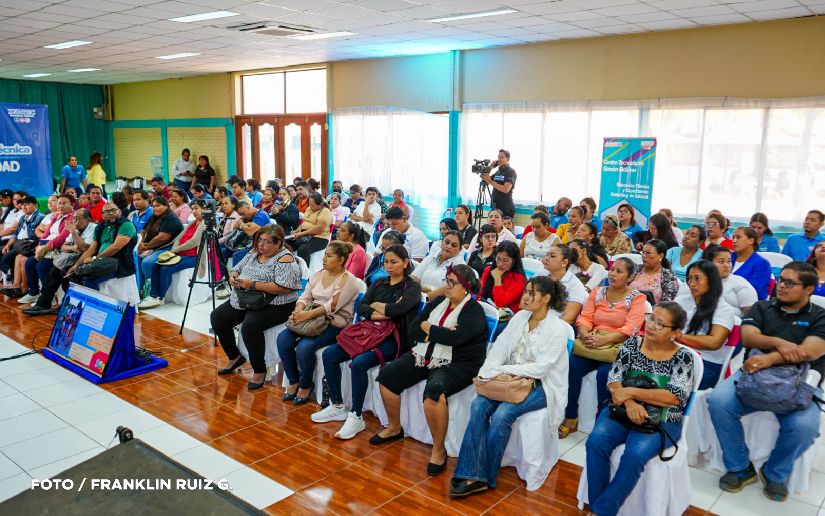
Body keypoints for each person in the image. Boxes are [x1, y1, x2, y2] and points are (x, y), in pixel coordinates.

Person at [708, 262, 825, 502]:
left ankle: (774, 473)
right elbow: (749, 337)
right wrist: (779, 343)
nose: (781, 286)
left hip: (799, 382)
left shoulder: (820, 316)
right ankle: (740, 467)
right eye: (781, 280)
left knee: (804, 426)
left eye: (790, 283)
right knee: (719, 401)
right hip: (754, 375)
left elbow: (811, 350)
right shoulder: (762, 306)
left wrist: (770, 357)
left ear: (809, 289)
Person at [450, 276, 570, 497]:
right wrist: (489, 371)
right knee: (478, 405)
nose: (526, 297)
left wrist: (503, 370)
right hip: (508, 380)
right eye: (526, 291)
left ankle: (485, 475)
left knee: (502, 414)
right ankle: (472, 472)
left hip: (542, 386)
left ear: (546, 298)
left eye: (532, 293)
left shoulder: (557, 329)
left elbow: (541, 369)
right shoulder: (520, 318)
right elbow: (499, 348)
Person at [373, 263, 487, 474]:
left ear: (466, 287)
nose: (447, 286)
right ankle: (394, 427)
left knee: (434, 390)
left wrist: (429, 328)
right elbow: (414, 329)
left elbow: (456, 339)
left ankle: (438, 449)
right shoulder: (439, 302)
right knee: (387, 376)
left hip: (459, 362)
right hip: (426, 353)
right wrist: (436, 332)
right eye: (447, 281)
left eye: (453, 283)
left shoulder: (474, 310)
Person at [585, 302, 694, 516]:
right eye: (651, 318)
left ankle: (600, 511)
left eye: (660, 324)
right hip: (622, 410)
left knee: (635, 454)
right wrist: (630, 403)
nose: (651, 325)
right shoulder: (633, 344)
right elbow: (614, 380)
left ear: (675, 332)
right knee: (596, 441)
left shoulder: (683, 357)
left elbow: (673, 397)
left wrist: (631, 392)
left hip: (662, 420)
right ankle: (599, 508)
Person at [314, 245, 423, 439]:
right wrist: (383, 312)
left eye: (394, 262)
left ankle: (356, 416)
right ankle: (337, 405)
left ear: (406, 263)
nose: (389, 266)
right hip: (370, 332)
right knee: (329, 354)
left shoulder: (412, 287)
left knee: (359, 363)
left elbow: (398, 310)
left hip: (394, 338)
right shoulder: (379, 283)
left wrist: (378, 307)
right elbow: (362, 307)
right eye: (386, 262)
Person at [559, 257, 646, 439]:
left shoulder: (637, 298)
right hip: (592, 341)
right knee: (571, 365)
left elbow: (630, 328)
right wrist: (585, 335)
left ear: (630, 277)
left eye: (619, 272)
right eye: (612, 270)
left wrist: (604, 340)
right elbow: (585, 318)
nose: (612, 274)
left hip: (617, 346)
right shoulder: (598, 292)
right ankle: (570, 416)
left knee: (606, 374)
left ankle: (602, 423)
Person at [212, 225, 301, 390]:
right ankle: (234, 357)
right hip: (249, 298)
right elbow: (237, 269)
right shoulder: (254, 252)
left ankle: (259, 369)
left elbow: (284, 288)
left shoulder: (285, 259)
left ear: (278, 243)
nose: (261, 245)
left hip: (278, 303)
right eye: (260, 240)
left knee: (250, 326)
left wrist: (253, 285)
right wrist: (233, 277)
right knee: (218, 318)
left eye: (267, 242)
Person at [278, 241, 361, 404]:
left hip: (333, 323)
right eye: (324, 255)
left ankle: (305, 385)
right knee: (283, 339)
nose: (324, 259)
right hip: (311, 318)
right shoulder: (318, 275)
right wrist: (299, 309)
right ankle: (293, 380)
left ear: (341, 259)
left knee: (305, 347)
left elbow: (332, 306)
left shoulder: (348, 280)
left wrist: (305, 315)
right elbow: (305, 296)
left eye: (329, 256)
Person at [23, 209, 96, 316]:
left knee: (65, 273)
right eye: (74, 218)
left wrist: (73, 234)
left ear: (88, 219)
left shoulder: (93, 228)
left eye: (78, 218)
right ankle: (43, 304)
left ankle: (66, 307)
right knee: (53, 272)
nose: (75, 221)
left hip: (85, 260)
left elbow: (85, 248)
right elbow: (63, 247)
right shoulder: (75, 229)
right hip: (72, 258)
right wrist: (74, 247)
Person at [676, 260, 735, 389]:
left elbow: (714, 342)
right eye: (689, 278)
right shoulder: (681, 301)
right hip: (677, 354)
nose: (691, 283)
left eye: (697, 279)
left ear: (712, 281)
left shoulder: (724, 310)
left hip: (706, 363)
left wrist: (677, 336)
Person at [138, 201, 209, 309]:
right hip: (180, 253)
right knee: (156, 265)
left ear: (204, 210)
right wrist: (175, 249)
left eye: (196, 208)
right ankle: (154, 296)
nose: (194, 211)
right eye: (193, 209)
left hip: (193, 256)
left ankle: (159, 297)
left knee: (165, 268)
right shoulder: (192, 223)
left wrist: (176, 250)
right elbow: (178, 238)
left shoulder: (205, 224)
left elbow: (194, 242)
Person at [66, 203, 138, 290]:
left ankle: (94, 299)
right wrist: (76, 265)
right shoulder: (100, 227)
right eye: (107, 211)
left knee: (88, 279)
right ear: (103, 215)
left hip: (119, 264)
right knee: (73, 275)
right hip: (101, 261)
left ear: (119, 212)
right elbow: (91, 250)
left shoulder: (126, 225)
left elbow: (116, 247)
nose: (110, 213)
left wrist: (95, 259)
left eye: (113, 210)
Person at [697, 244, 759, 318]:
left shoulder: (740, 283)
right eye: (721, 262)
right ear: (708, 264)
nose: (726, 265)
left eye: (729, 261)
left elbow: (751, 314)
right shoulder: (698, 282)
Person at [1, 197, 44, 300]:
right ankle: (16, 285)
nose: (24, 207)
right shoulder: (23, 217)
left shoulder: (40, 217)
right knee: (13, 257)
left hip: (31, 246)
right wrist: (8, 245)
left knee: (21, 259)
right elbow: (16, 234)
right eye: (23, 205)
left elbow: (39, 236)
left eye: (27, 204)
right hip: (21, 245)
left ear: (35, 205)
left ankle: (24, 288)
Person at [137, 197, 184, 290]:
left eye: (158, 206)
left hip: (168, 248)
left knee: (147, 262)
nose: (155, 208)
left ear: (166, 206)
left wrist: (146, 247)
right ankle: (140, 288)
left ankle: (152, 289)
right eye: (153, 206)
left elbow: (162, 238)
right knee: (136, 258)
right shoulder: (153, 217)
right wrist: (141, 242)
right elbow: (143, 231)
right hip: (152, 247)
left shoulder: (171, 218)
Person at [540, 244, 587, 325]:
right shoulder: (541, 273)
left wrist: (545, 328)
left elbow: (569, 318)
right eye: (547, 254)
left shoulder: (575, 286)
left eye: (552, 256)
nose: (546, 258)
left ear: (564, 262)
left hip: (555, 327)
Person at [479, 241, 527, 319]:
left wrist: (497, 280)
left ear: (514, 261)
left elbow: (501, 303)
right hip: (489, 308)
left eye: (505, 260)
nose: (500, 264)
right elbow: (481, 294)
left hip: (507, 315)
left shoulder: (518, 279)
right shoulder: (488, 270)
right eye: (498, 259)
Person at [413, 230, 465, 300]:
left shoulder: (460, 267)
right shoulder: (431, 257)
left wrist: (425, 297)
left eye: (454, 245)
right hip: (418, 295)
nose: (449, 246)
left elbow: (446, 290)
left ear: (460, 249)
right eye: (447, 242)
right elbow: (414, 277)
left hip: (439, 301)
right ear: (441, 243)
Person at [629, 239, 680, 304]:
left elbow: (667, 303)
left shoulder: (668, 276)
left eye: (648, 253)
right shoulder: (634, 269)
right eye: (643, 252)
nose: (644, 256)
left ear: (661, 256)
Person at [290, 192, 332, 264]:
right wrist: (297, 230)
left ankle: (305, 269)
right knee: (287, 244)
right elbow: (304, 223)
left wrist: (301, 234)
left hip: (320, 238)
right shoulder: (309, 208)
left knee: (303, 250)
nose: (311, 207)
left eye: (313, 205)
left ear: (321, 204)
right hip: (305, 234)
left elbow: (319, 229)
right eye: (310, 204)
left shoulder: (325, 211)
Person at [731, 226, 772, 300]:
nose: (734, 241)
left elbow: (752, 291)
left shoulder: (762, 264)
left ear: (751, 241)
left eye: (738, 237)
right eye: (733, 238)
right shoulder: (728, 257)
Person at [481, 149, 516, 218]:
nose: (499, 159)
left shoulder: (510, 172)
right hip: (495, 207)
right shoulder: (498, 172)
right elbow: (485, 180)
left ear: (507, 158)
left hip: (506, 208)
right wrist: (490, 168)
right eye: (498, 157)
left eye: (501, 157)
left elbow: (505, 189)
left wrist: (490, 181)